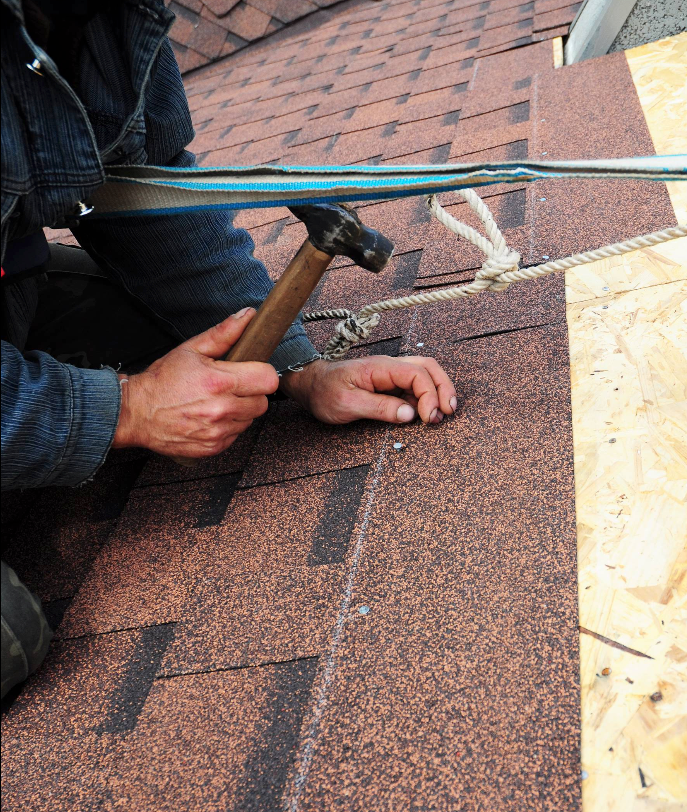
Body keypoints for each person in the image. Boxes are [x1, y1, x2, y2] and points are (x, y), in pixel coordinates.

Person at [0, 0, 457, 699]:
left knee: (187, 355)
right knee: (10, 637)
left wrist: (294, 370)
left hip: (14, 288)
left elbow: (146, 191)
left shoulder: (106, 16)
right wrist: (127, 407)